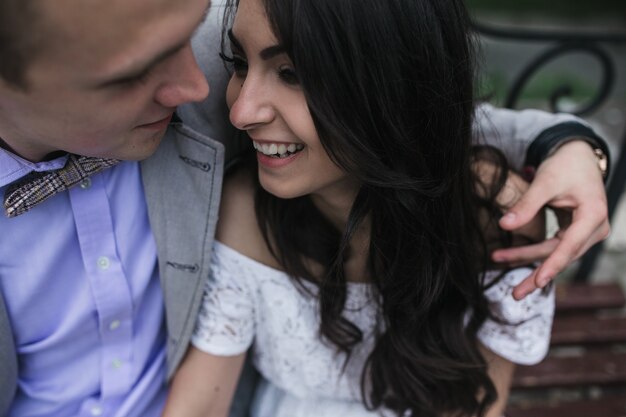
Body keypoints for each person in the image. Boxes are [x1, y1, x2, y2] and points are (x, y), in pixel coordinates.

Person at [0, 0, 610, 416]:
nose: (210, 95)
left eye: (288, 72)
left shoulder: (197, 51)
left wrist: (571, 144)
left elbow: (417, 104)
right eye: (130, 76)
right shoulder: (254, 207)